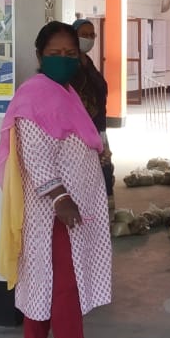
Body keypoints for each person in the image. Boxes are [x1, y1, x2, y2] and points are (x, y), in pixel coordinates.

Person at [0, 21, 114, 338]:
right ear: (39, 56)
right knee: (65, 292)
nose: (64, 59)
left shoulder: (64, 91)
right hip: (56, 215)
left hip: (62, 212)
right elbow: (36, 157)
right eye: (55, 54)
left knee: (40, 284)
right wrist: (61, 199)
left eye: (70, 54)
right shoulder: (35, 96)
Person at [69, 18, 114, 202]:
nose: (88, 39)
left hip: (97, 125)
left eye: (91, 35)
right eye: (84, 35)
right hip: (78, 131)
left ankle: (104, 210)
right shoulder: (70, 65)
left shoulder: (88, 62)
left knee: (104, 169)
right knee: (86, 174)